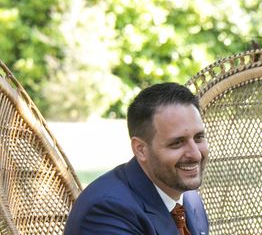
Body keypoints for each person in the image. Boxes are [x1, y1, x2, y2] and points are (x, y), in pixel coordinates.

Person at [64, 82, 209, 235]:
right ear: (140, 149)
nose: (196, 154)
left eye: (199, 138)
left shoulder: (189, 199)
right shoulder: (106, 212)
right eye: (177, 143)